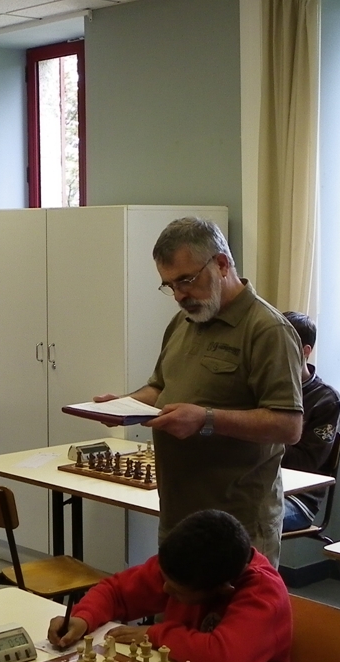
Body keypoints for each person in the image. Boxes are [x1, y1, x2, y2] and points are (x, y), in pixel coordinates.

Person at [89, 217, 303, 563]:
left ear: (221, 264)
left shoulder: (267, 330)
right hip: (178, 513)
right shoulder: (184, 321)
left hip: (237, 523)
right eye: (170, 285)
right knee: (176, 597)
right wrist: (124, 405)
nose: (179, 295)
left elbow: (288, 426)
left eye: (186, 280)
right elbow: (160, 387)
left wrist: (206, 419)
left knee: (231, 601)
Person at [47, 509, 293, 662]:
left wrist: (155, 634)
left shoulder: (262, 593)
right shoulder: (183, 562)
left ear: (222, 590)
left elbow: (220, 659)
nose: (164, 589)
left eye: (177, 591)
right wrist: (83, 618)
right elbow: (116, 591)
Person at [279, 311, 340, 533]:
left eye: (282, 348)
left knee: (244, 521)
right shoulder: (259, 387)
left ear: (305, 351)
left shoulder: (325, 399)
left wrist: (259, 435)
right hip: (254, 488)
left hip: (298, 500)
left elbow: (306, 463)